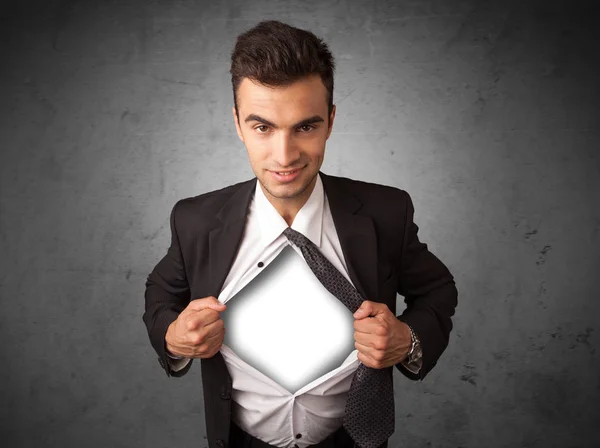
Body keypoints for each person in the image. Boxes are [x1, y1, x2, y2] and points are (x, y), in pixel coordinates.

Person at [143, 20, 458, 448]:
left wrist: (408, 340)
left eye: (305, 127)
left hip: (353, 439)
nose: (285, 155)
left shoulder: (388, 213)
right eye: (262, 127)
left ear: (330, 121)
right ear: (237, 123)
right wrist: (173, 337)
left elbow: (438, 289)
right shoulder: (194, 220)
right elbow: (160, 295)